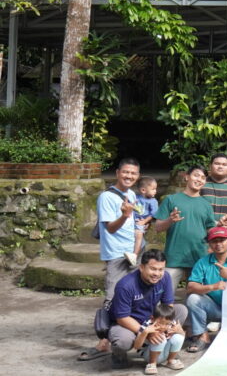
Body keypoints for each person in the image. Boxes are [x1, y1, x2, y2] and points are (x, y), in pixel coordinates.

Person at [88, 157, 141, 366]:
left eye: (133, 173)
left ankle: (128, 333)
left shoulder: (132, 194)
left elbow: (133, 224)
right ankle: (104, 340)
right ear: (118, 173)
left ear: (137, 176)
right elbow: (110, 228)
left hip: (132, 253)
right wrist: (124, 215)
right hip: (115, 254)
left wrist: (137, 247)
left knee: (133, 296)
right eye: (126, 172)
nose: (129, 176)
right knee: (112, 297)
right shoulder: (106, 197)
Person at [105, 249, 186, 370]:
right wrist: (147, 332)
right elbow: (122, 318)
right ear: (141, 267)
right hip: (126, 323)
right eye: (153, 269)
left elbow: (168, 305)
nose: (157, 274)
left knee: (181, 310)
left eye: (161, 269)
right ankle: (118, 356)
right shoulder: (125, 285)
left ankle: (165, 349)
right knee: (123, 340)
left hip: (151, 317)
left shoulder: (165, 277)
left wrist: (164, 327)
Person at [184, 226, 227, 353]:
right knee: (193, 299)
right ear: (209, 244)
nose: (219, 244)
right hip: (214, 307)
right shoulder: (202, 262)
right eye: (214, 241)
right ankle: (202, 336)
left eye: (222, 240)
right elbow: (191, 287)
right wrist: (212, 286)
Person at [152, 166, 215, 288]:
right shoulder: (171, 200)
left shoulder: (206, 205)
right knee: (164, 295)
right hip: (174, 257)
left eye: (203, 177)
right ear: (186, 177)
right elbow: (158, 227)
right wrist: (170, 220)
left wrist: (220, 228)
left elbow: (210, 230)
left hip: (199, 256)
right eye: (196, 175)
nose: (199, 179)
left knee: (196, 296)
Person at [131, 302, 186, 375]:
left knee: (178, 337)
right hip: (149, 355)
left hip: (164, 353)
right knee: (160, 337)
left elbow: (183, 336)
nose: (163, 326)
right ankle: (152, 364)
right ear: (152, 319)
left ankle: (171, 360)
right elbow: (136, 346)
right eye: (160, 323)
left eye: (167, 324)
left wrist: (180, 331)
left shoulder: (172, 323)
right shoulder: (147, 325)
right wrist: (145, 332)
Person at [131, 176, 158, 264]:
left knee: (139, 235)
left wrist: (144, 221)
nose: (155, 191)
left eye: (155, 189)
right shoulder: (135, 198)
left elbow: (153, 214)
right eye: (153, 189)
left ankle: (134, 255)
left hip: (141, 222)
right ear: (143, 190)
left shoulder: (153, 201)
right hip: (131, 221)